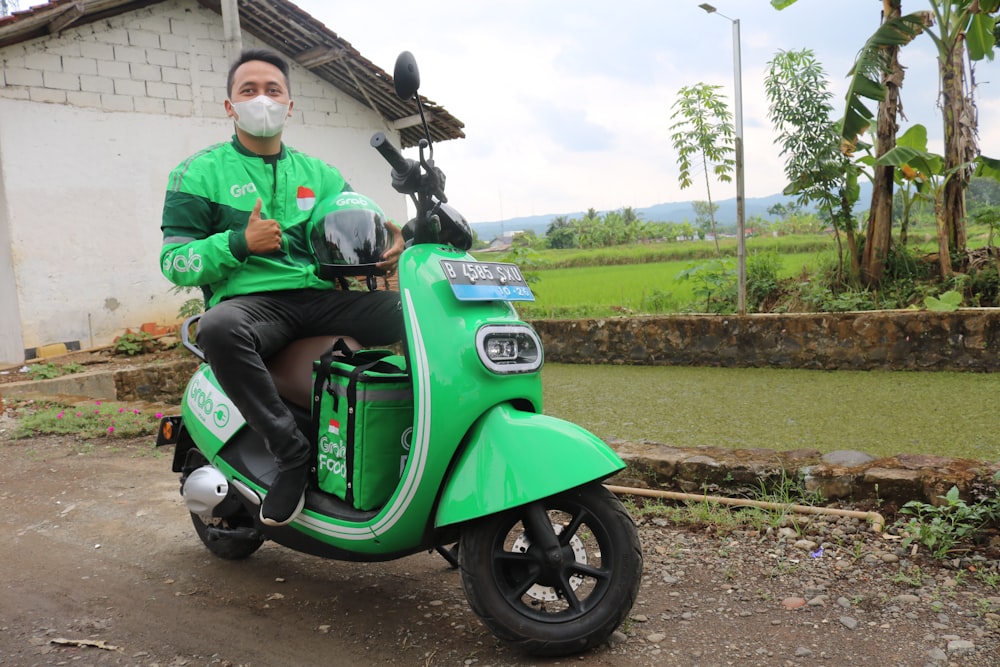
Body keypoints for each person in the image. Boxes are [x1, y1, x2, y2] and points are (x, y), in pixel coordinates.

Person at [160, 47, 405, 527]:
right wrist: (239, 243)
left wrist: (387, 247)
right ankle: (290, 451)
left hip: (319, 299)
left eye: (273, 90)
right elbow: (175, 260)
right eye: (248, 90)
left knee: (410, 310)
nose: (262, 100)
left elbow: (355, 232)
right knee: (218, 327)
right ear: (229, 106)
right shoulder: (197, 174)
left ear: (290, 105)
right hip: (253, 306)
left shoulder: (322, 176)